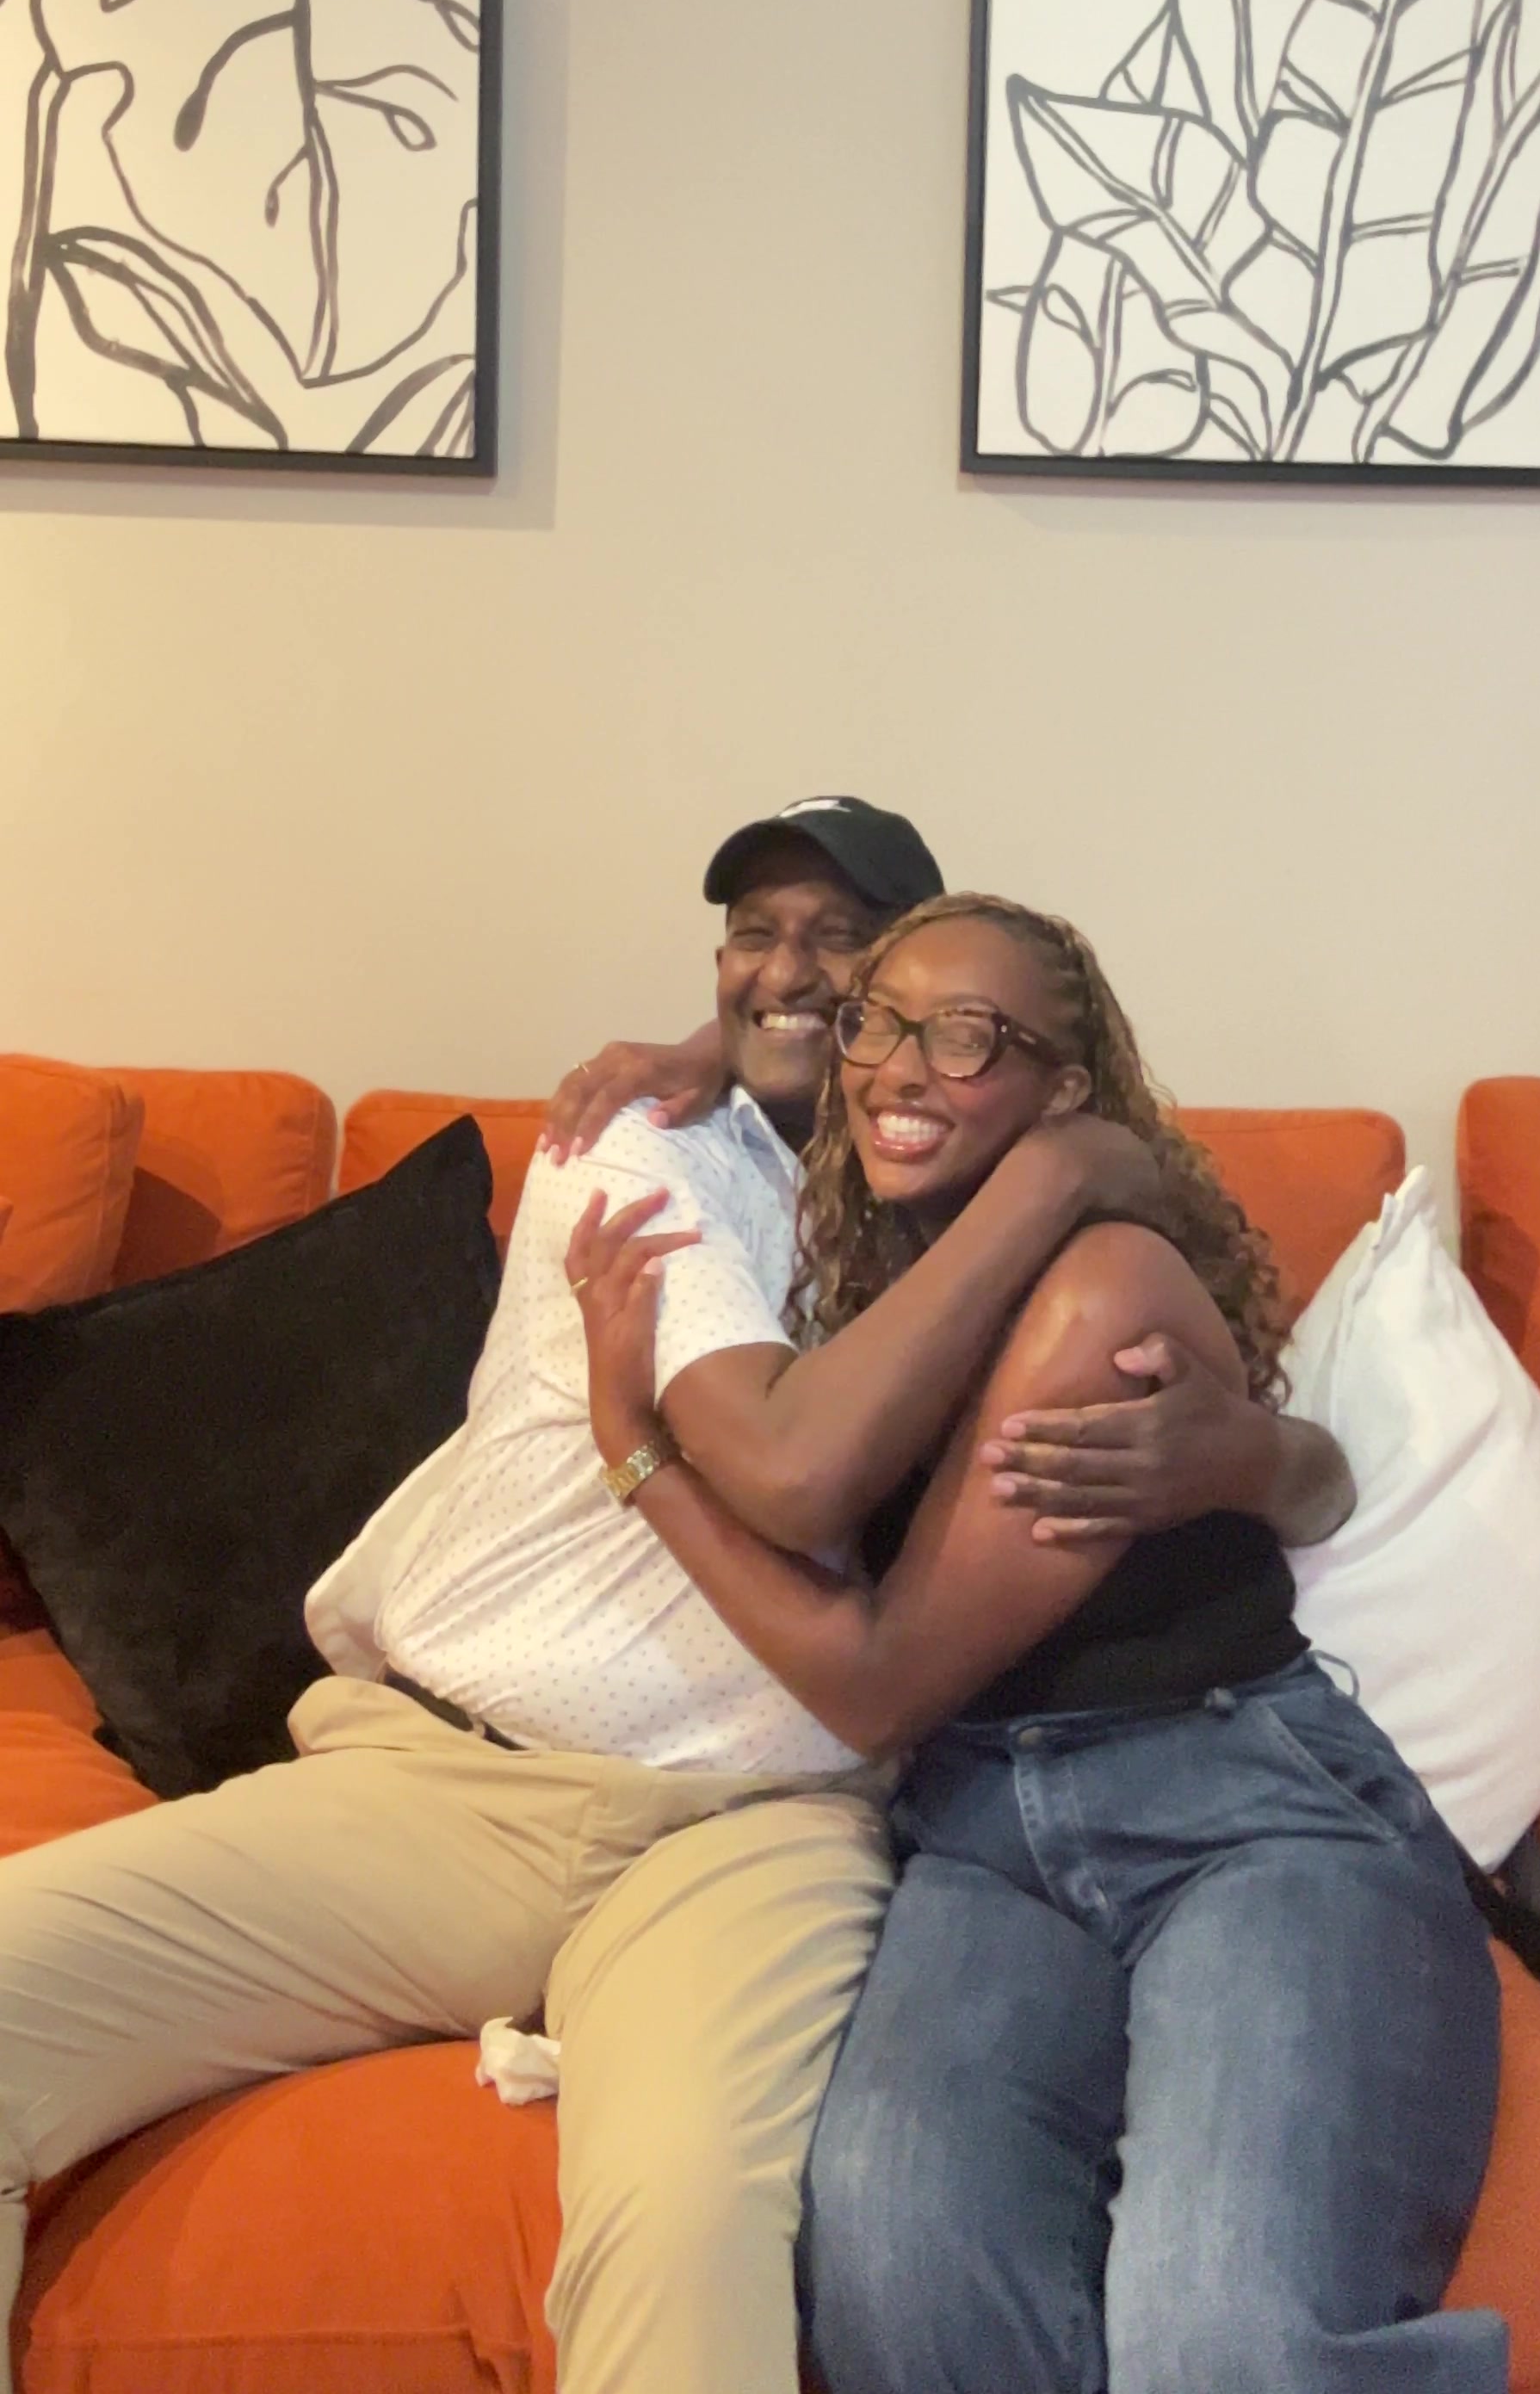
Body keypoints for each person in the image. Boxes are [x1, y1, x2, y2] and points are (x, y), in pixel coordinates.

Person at [0, 797, 1294, 2394]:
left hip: (759, 1824)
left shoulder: (955, 1214)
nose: (790, 974)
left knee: (685, 2231)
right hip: (453, 1782)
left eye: (848, 950)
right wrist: (1016, 1151)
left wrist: (1239, 1416)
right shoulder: (644, 1146)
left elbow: (1241, 1437)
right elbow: (794, 1465)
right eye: (754, 937)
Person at [569, 890, 1506, 2394]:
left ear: (1064, 1090)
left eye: (968, 1038)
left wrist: (635, 1450)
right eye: (882, 1024)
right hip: (981, 1836)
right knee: (898, 2283)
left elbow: (875, 1681)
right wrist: (706, 1048)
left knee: (1217, 2333)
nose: (901, 1068)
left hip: (1239, 1811)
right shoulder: (882, 1262)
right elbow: (789, 1035)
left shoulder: (1099, 1285)